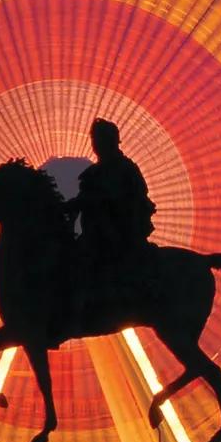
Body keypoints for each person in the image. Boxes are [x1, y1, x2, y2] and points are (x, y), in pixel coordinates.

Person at [64, 117, 156, 315]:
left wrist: (90, 202)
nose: (97, 144)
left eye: (101, 139)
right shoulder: (92, 173)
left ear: (112, 141)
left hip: (117, 234)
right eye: (95, 139)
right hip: (94, 233)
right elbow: (83, 199)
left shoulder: (125, 169)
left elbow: (127, 199)